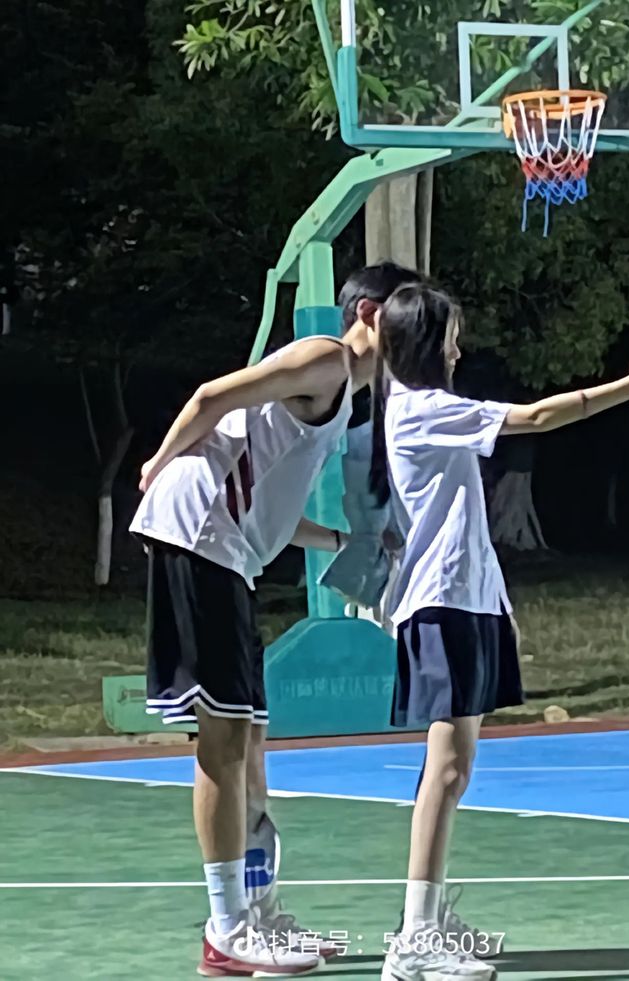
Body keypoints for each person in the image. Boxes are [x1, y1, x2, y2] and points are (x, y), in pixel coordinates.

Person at [130, 261, 422, 978]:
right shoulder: (322, 357)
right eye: (412, 313)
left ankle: (257, 912)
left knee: (250, 742)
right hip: (195, 535)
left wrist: (346, 543)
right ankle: (227, 925)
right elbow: (210, 395)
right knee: (224, 739)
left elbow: (276, 510)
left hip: (228, 551)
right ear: (374, 317)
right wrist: (158, 462)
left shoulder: (344, 399)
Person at [372, 282, 629, 981]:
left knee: (454, 771)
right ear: (426, 342)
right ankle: (414, 940)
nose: (458, 344)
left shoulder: (430, 408)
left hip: (468, 599)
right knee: (445, 770)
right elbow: (535, 416)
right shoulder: (423, 411)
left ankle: (428, 919)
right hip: (440, 603)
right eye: (450, 333)